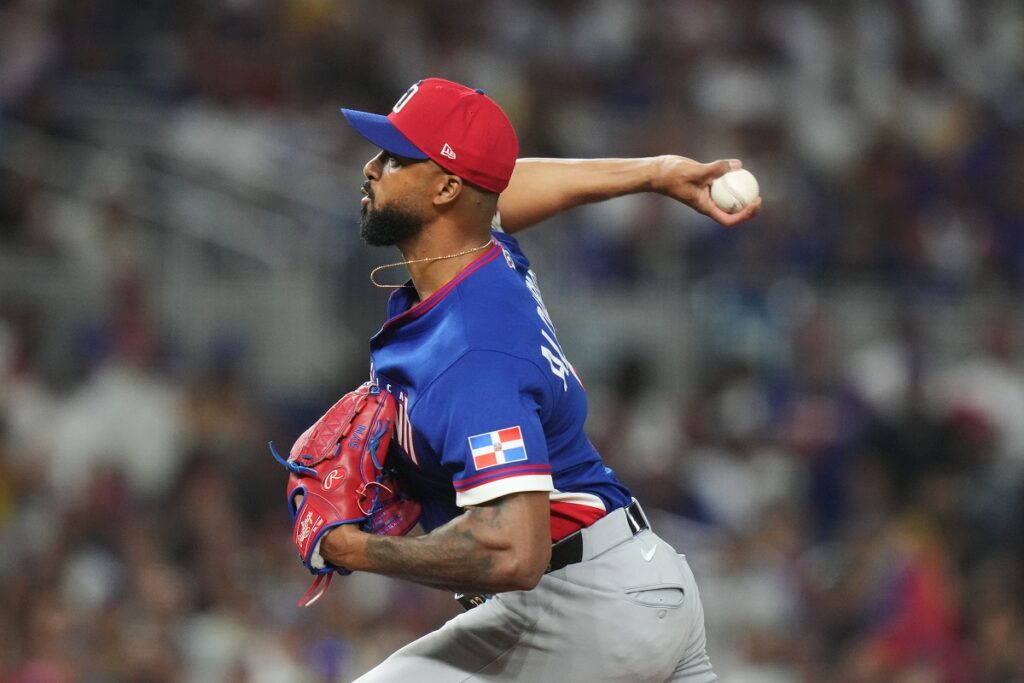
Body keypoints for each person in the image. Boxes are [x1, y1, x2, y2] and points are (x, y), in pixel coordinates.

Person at [321, 77, 759, 682]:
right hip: (636, 581)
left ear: (446, 188)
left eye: (395, 157)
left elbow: (514, 551)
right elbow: (498, 188)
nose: (371, 167)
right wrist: (653, 173)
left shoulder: (471, 351)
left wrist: (348, 549)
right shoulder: (481, 254)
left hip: (580, 607)